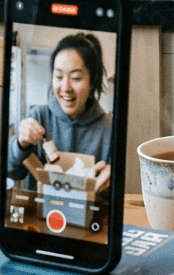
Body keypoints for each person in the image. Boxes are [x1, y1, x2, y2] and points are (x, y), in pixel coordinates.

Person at [7, 32, 113, 193]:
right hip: (40, 215)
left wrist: (112, 180)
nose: (65, 87)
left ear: (92, 81)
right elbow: (12, 172)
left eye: (76, 78)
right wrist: (20, 144)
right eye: (58, 76)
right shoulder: (37, 118)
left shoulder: (109, 130)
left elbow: (112, 198)